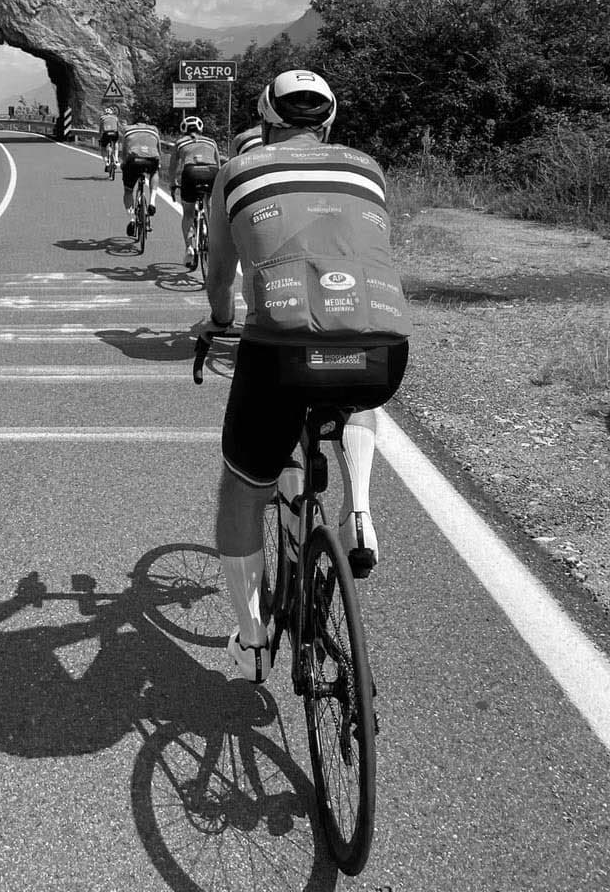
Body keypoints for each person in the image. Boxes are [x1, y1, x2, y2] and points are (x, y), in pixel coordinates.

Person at [200, 70, 411, 683]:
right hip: (383, 348)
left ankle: (253, 640)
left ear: (265, 118)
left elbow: (220, 272)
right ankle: (359, 509)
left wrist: (219, 322)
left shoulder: (237, 171)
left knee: (244, 486)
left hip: (281, 353)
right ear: (330, 120)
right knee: (355, 373)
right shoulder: (367, 168)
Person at [169, 116, 221, 270]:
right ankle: (213, 239)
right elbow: (219, 166)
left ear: (184, 130)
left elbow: (173, 167)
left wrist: (173, 183)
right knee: (209, 206)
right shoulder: (211, 142)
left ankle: (189, 248)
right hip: (211, 172)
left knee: (188, 213)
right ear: (200, 129)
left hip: (191, 172)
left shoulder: (180, 143)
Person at [120, 119, 162, 235]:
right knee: (154, 172)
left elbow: (124, 151)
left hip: (134, 160)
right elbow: (158, 151)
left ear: (135, 124)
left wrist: (124, 164)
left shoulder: (128, 130)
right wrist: (158, 164)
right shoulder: (154, 129)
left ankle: (131, 219)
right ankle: (152, 201)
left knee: (128, 191)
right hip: (151, 159)